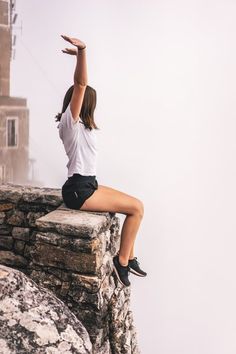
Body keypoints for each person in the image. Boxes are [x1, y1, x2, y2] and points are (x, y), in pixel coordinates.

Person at [56, 34, 147, 287]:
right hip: (78, 191)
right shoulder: (69, 124)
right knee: (137, 208)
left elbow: (84, 84)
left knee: (135, 205)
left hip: (88, 184)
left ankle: (129, 255)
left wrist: (79, 59)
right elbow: (81, 83)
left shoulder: (83, 126)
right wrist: (83, 51)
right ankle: (123, 261)